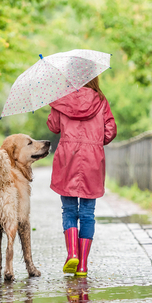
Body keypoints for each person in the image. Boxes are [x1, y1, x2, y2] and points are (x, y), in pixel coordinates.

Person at [46, 76, 117, 277]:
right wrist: (95, 140)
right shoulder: (101, 100)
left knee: (68, 209)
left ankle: (72, 254)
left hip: (67, 157)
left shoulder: (61, 99)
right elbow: (110, 131)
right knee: (87, 212)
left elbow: (53, 127)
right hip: (93, 158)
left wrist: (54, 107)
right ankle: (83, 265)